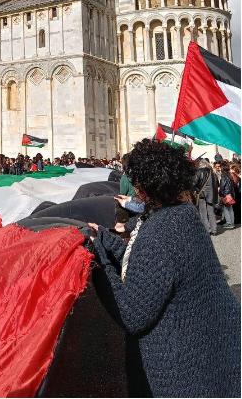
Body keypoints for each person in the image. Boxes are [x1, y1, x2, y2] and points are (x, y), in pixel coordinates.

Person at [88, 139, 241, 397]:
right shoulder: (182, 214)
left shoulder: (161, 230)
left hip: (186, 366)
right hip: (214, 349)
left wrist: (102, 264)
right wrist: (105, 238)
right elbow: (148, 265)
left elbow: (133, 313)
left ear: (145, 186)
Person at [193, 158, 218, 234]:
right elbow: (217, 183)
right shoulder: (212, 172)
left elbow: (194, 183)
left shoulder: (199, 171)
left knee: (203, 213)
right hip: (211, 195)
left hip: (202, 194)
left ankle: (207, 230)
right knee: (211, 212)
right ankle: (214, 230)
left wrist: (197, 190)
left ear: (201, 164)